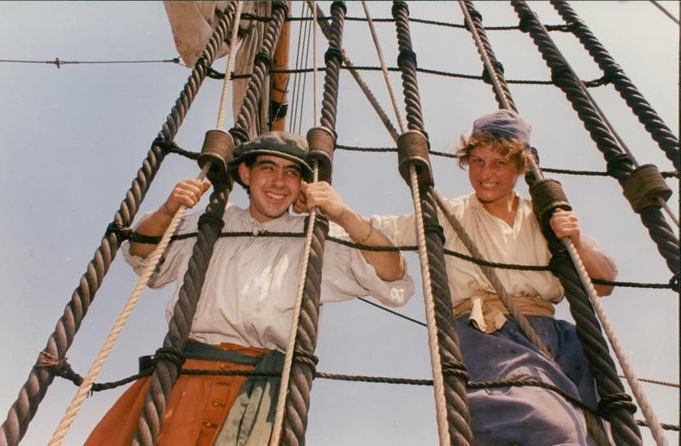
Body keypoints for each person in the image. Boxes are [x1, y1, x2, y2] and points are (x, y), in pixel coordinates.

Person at [86, 131, 415, 445]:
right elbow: (141, 253)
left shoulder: (313, 237)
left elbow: (391, 273)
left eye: (290, 173)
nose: (277, 182)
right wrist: (168, 209)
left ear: (302, 183)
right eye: (267, 168)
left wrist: (343, 214)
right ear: (245, 172)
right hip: (180, 380)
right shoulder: (213, 220)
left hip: (260, 393)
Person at [373, 110, 618, 445]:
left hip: (562, 342)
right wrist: (334, 210)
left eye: (499, 163)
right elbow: (378, 230)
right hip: (487, 334)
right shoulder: (447, 214)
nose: (485, 174)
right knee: (553, 429)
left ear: (520, 167)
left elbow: (604, 283)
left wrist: (574, 242)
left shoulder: (543, 217)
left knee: (600, 436)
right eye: (477, 161)